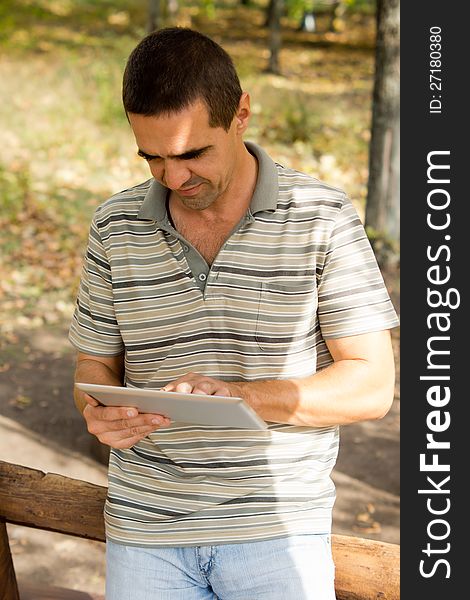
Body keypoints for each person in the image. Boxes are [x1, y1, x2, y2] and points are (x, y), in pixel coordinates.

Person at [70, 27, 399, 600]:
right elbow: (93, 368)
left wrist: (245, 398)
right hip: (144, 528)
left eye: (193, 153)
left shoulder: (322, 217)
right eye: (153, 157)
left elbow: (371, 387)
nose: (173, 178)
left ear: (241, 113)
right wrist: (96, 411)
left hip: (279, 530)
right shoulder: (114, 226)